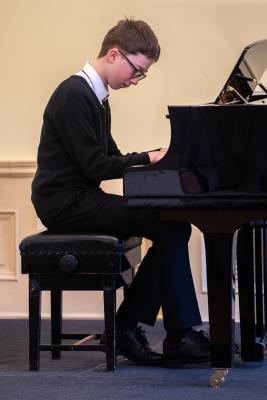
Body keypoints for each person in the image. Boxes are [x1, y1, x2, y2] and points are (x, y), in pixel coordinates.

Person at [31, 18, 209, 367]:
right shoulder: (74, 95)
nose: (136, 80)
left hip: (80, 198)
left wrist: (160, 158)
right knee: (171, 224)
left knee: (172, 224)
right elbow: (97, 167)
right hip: (64, 204)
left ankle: (144, 328)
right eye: (137, 71)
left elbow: (109, 157)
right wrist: (149, 158)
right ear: (115, 54)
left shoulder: (96, 96)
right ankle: (169, 332)